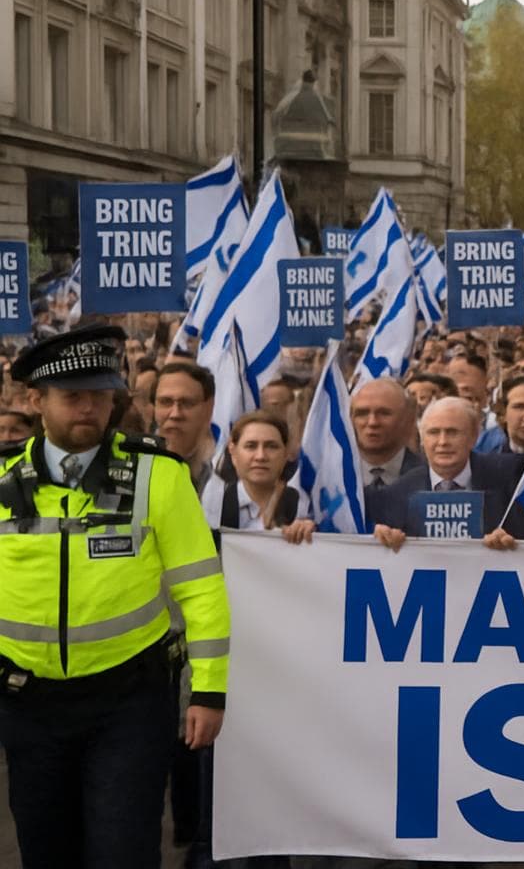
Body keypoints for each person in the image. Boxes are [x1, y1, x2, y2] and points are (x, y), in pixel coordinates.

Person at [0, 326, 230, 867]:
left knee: (122, 851)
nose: (89, 407)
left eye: (100, 395)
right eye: (72, 395)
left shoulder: (158, 476)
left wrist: (208, 691)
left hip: (128, 702)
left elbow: (202, 588)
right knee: (46, 851)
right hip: (27, 704)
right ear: (35, 400)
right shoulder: (4, 477)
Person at [369, 397, 524, 550]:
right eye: (434, 432)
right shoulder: (397, 493)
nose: (443, 442)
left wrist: (512, 541)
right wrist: (382, 539)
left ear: (474, 437)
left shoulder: (510, 477)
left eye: (452, 432)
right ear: (422, 439)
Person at [201, 410, 316, 542]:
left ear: (286, 453)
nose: (260, 456)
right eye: (251, 446)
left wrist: (310, 533)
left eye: (271, 446)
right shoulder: (212, 503)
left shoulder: (303, 505)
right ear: (233, 452)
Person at [153, 361, 219, 493]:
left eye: (187, 403)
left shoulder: (224, 472)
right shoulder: (135, 463)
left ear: (209, 408)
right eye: (166, 402)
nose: (175, 414)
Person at [351, 377, 423, 492]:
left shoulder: (432, 479)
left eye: (384, 413)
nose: (372, 422)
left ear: (408, 420)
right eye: (362, 413)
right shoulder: (327, 478)